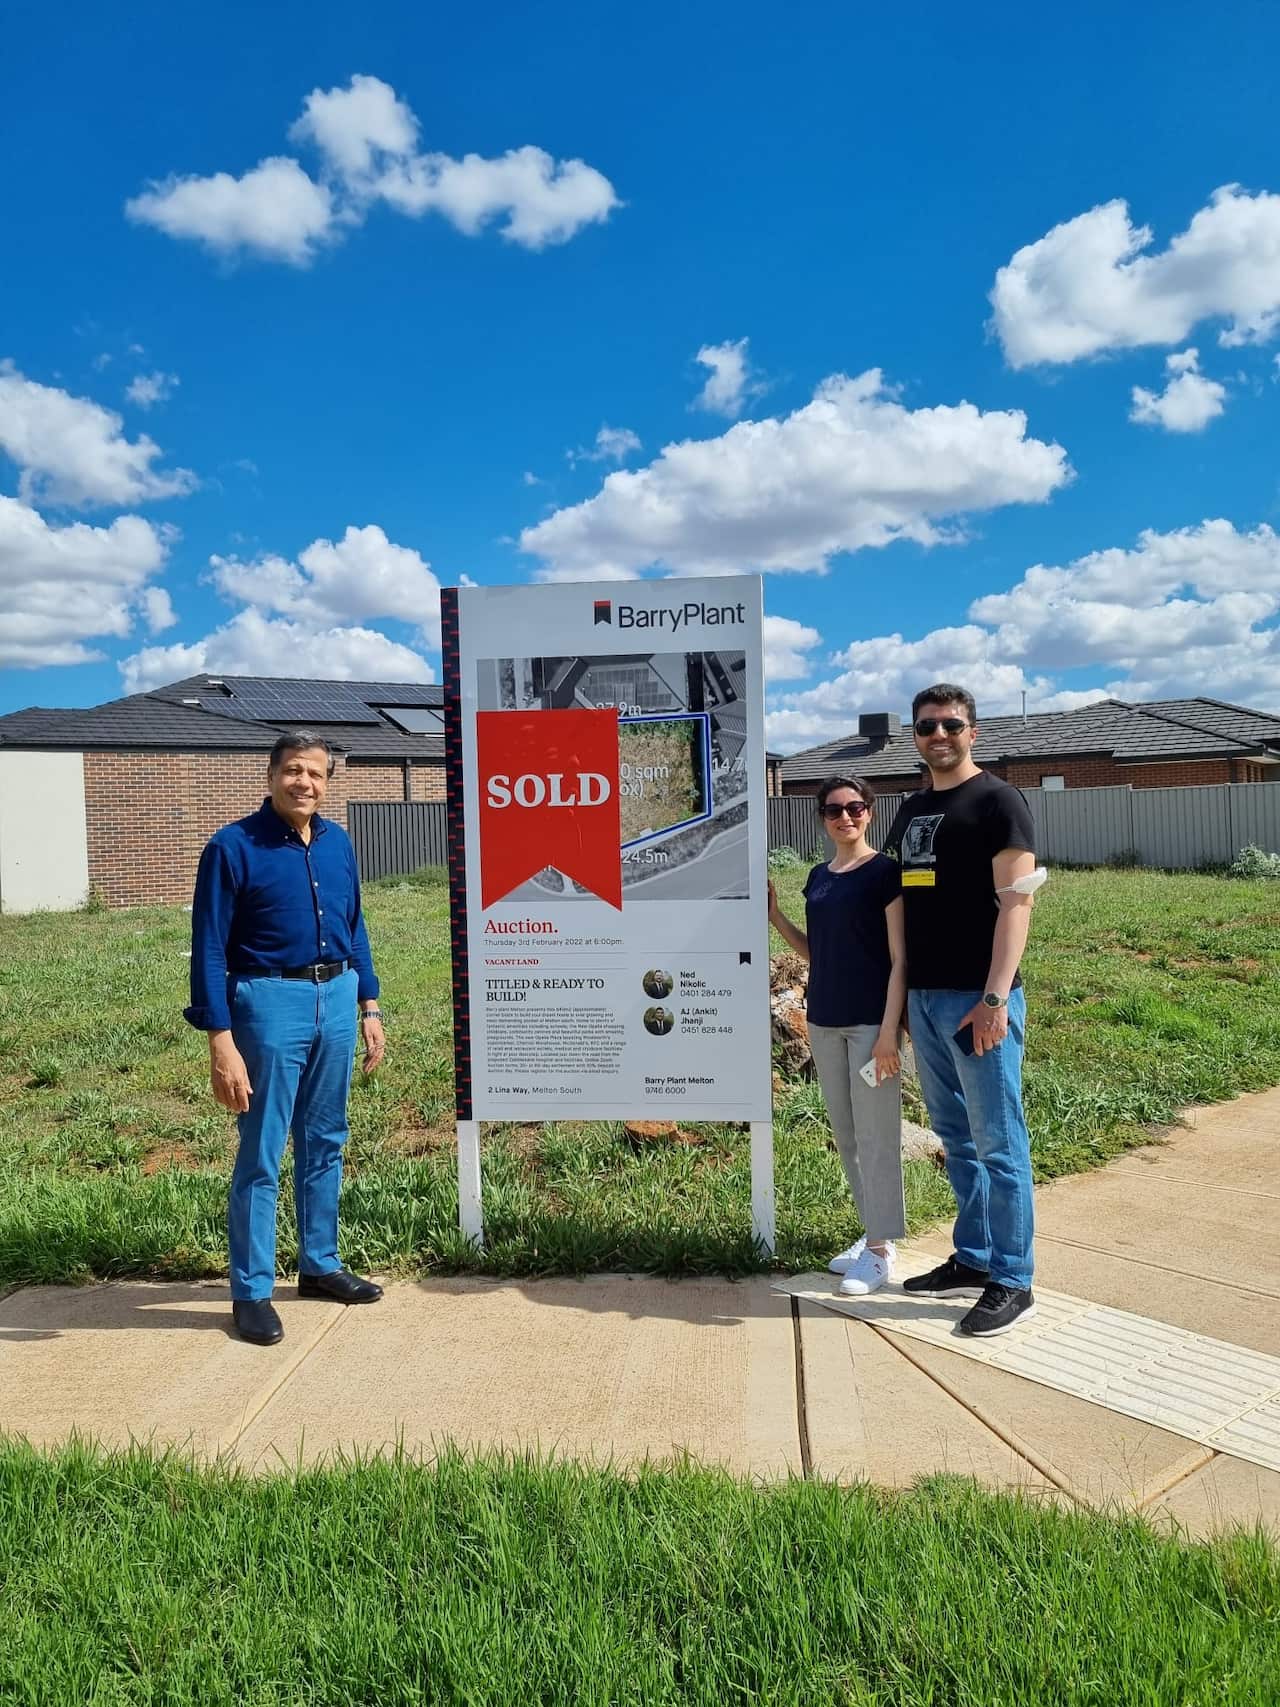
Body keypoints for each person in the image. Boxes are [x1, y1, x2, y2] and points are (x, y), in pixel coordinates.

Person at [184, 731, 387, 1346]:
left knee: (326, 1138)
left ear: (328, 783)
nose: (306, 783)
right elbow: (210, 947)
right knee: (264, 1149)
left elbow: (355, 923)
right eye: (294, 770)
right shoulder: (233, 847)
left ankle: (319, 1264)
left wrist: (369, 1001)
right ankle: (251, 1291)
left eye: (317, 774)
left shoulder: (337, 843)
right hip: (269, 1003)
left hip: (337, 997)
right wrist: (219, 1037)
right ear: (271, 776)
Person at [881, 684, 1039, 1337]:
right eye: (926, 725)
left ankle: (1013, 1277)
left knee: (1000, 1142)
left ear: (974, 730)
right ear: (913, 735)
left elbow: (1018, 903)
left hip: (979, 1002)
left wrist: (996, 996)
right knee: (956, 1139)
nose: (938, 734)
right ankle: (974, 1257)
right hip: (925, 998)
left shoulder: (1000, 801)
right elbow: (894, 903)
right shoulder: (913, 809)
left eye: (951, 723)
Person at [768, 775, 906, 1295]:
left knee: (877, 1137)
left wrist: (889, 1031)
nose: (844, 816)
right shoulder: (818, 876)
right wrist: (777, 916)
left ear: (869, 812)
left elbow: (900, 959)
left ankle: (879, 1250)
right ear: (822, 818)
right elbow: (816, 953)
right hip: (824, 1020)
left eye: (854, 807)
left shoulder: (884, 873)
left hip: (871, 1024)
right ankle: (872, 1231)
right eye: (833, 810)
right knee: (847, 1136)